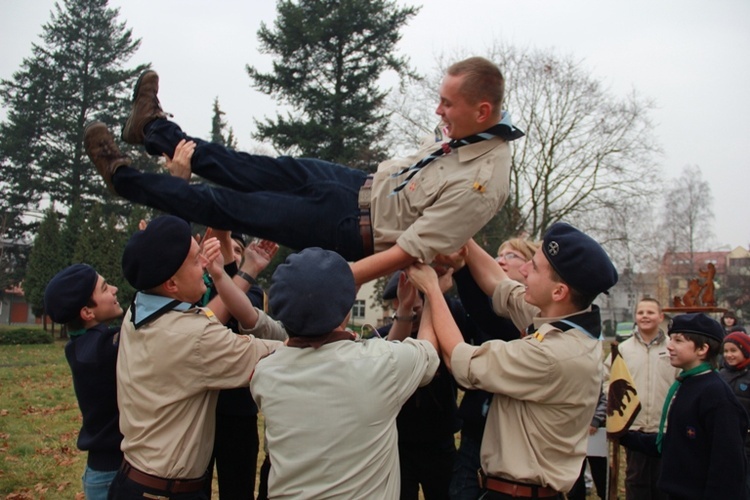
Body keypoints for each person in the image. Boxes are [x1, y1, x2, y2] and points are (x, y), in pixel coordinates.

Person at [84, 56, 524, 285]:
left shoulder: (482, 183)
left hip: (351, 227)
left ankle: (124, 179)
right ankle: (153, 129)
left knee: (226, 204)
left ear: (482, 110)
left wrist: (342, 281)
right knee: (242, 166)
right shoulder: (467, 130)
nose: (438, 110)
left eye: (448, 104)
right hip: (355, 185)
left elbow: (409, 250)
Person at [407, 221, 619, 499]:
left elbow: (461, 360)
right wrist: (462, 239)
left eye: (535, 266)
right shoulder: (563, 320)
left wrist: (433, 290)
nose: (524, 270)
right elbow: (499, 286)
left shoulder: (554, 354)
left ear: (559, 292)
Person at [107, 215, 284, 499]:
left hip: (135, 480)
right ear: (171, 285)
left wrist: (230, 272)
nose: (204, 262)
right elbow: (282, 355)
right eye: (195, 259)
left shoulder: (139, 309)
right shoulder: (194, 337)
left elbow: (210, 315)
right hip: (165, 492)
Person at [247, 248, 440, 499]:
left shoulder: (266, 374)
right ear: (347, 309)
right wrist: (431, 292)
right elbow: (428, 351)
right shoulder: (380, 364)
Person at [444, 237, 538, 500]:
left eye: (511, 256)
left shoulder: (539, 320)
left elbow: (492, 320)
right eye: (499, 255)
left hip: (517, 442)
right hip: (477, 430)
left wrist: (460, 268)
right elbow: (480, 312)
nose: (500, 260)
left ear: (530, 267)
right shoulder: (495, 308)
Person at [620, 313, 748, 499]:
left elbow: (727, 466)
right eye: (670, 339)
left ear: (702, 349)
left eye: (678, 340)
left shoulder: (715, 394)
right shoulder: (688, 384)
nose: (669, 346)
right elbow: (676, 443)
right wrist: (625, 436)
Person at [202, 233, 279, 500]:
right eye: (226, 248)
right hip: (200, 410)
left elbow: (240, 309)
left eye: (237, 250)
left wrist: (239, 270)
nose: (231, 254)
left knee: (237, 489)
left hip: (237, 410)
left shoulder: (253, 292)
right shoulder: (198, 293)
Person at [378, 271, 462, 500]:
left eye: (420, 296)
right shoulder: (385, 336)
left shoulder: (444, 332)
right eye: (407, 297)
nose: (414, 303)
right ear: (396, 301)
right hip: (399, 443)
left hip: (439, 439)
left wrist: (435, 292)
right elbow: (389, 357)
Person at [44, 264, 124, 500]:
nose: (115, 289)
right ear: (87, 313)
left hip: (102, 470)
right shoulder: (101, 349)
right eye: (105, 287)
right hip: (112, 474)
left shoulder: (80, 346)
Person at [603, 298, 678, 500]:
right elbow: (607, 380)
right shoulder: (623, 350)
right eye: (641, 312)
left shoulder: (673, 348)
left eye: (650, 312)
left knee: (665, 484)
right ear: (635, 317)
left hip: (666, 428)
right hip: (634, 428)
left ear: (661, 317)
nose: (645, 316)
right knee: (637, 482)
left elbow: (683, 380)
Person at [719, 331, 750, 497]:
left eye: (733, 351)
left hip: (747, 444)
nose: (728, 355)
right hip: (726, 442)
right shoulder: (721, 375)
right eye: (726, 351)